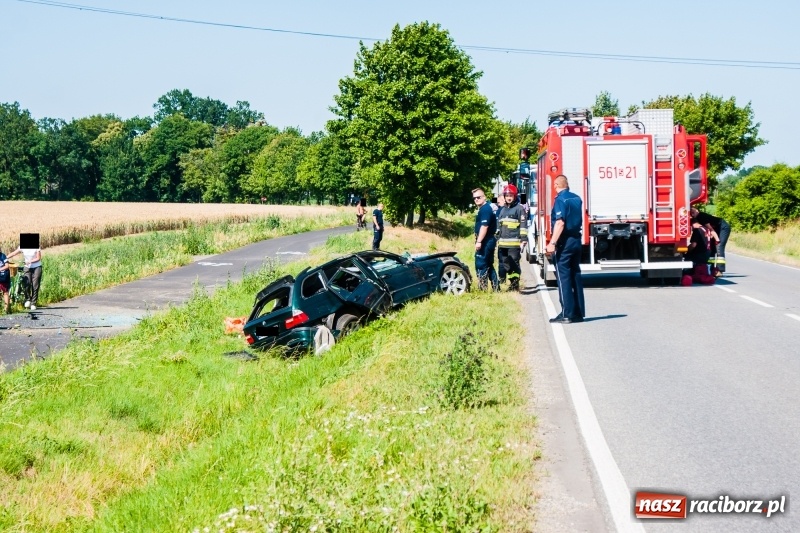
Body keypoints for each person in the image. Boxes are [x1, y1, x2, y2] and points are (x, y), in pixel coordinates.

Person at [545, 175, 585, 323]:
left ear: (556, 185)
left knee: (563, 277)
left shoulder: (560, 200)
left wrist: (552, 243)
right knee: (575, 275)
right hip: (576, 239)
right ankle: (578, 313)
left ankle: (567, 313)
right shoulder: (576, 198)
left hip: (565, 241)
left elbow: (560, 223)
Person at [496, 184, 528, 291]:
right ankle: (511, 283)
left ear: (515, 196)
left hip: (514, 244)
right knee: (506, 264)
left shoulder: (519, 209)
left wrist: (523, 239)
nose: (509, 198)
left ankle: (515, 285)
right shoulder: (502, 210)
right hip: (502, 244)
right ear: (504, 197)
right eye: (507, 195)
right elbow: (499, 226)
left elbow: (523, 225)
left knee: (513, 264)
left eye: (511, 195)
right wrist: (496, 238)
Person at [472, 188, 499, 291]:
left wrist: (479, 241)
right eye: (474, 198)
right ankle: (496, 288)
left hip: (486, 240)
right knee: (488, 265)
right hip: (488, 239)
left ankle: (483, 289)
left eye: (478, 197)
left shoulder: (485, 209)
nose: (476, 199)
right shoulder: (484, 208)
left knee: (481, 264)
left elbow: (484, 226)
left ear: (484, 197)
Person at [690, 207, 730, 276]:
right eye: (691, 213)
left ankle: (720, 270)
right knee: (712, 248)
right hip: (717, 229)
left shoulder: (701, 217)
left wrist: (717, 240)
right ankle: (711, 269)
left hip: (723, 227)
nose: (692, 214)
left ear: (697, 211)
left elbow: (711, 229)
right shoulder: (697, 218)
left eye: (693, 212)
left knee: (719, 247)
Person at [7, 245, 42, 310]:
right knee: (26, 284)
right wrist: (5, 258)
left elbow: (38, 258)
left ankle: (33, 303)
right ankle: (28, 299)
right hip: (27, 267)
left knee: (35, 285)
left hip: (37, 267)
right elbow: (14, 253)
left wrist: (30, 261)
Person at [684, 218, 715, 285]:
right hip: (707, 252)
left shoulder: (697, 230)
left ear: (692, 224)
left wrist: (687, 250)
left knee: (687, 257)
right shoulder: (707, 229)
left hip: (699, 253)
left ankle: (686, 274)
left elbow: (693, 245)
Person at [0, 247, 10, 313]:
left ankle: (6, 309)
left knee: (5, 292)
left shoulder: (2, 256)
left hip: (3, 276)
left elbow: (7, 266)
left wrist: (0, 269)